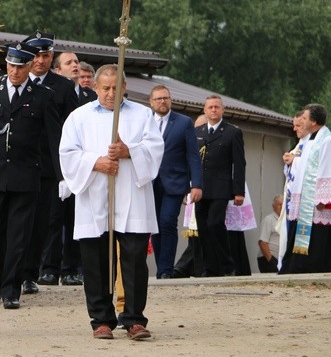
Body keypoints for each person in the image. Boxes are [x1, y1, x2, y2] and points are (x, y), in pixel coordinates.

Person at [59, 64, 164, 340]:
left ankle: (133, 318)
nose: (110, 93)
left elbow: (155, 149)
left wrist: (129, 151)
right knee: (95, 260)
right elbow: (68, 154)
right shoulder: (79, 117)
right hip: (95, 198)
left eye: (116, 87)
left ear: (125, 88)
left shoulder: (143, 115)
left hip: (133, 199)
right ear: (95, 87)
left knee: (134, 260)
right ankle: (101, 320)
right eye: (105, 87)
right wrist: (97, 162)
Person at [0, 42, 63, 309]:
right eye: (11, 66)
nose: (15, 71)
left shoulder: (43, 96)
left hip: (26, 176)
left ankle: (12, 289)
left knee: (19, 236)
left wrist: (61, 176)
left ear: (30, 66)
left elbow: (54, 141)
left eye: (20, 67)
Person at [20, 32, 78, 293]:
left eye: (45, 55)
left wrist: (65, 169)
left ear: (51, 57)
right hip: (20, 162)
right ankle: (16, 271)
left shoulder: (64, 87)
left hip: (49, 165)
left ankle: (40, 270)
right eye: (36, 55)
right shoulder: (15, 81)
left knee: (48, 220)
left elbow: (72, 128)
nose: (40, 61)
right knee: (20, 222)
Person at [38, 51, 95, 287]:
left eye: (76, 62)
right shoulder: (50, 94)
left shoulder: (90, 97)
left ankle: (72, 268)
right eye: (69, 62)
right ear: (57, 70)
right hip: (55, 166)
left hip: (82, 165)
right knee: (53, 218)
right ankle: (49, 268)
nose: (75, 65)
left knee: (75, 218)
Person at [279, 104, 331, 274]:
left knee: (323, 237)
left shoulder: (327, 141)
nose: (302, 121)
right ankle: (301, 266)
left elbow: (329, 168)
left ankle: (322, 266)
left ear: (313, 121)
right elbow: (304, 167)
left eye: (305, 118)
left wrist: (324, 198)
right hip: (306, 200)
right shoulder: (310, 141)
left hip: (319, 202)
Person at [147, 85, 202, 279]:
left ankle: (165, 270)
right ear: (151, 102)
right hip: (149, 183)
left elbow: (193, 155)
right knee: (154, 225)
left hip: (174, 182)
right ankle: (162, 266)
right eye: (159, 98)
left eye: (166, 98)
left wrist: (196, 184)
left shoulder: (184, 122)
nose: (163, 101)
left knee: (167, 221)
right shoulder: (144, 122)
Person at [194, 95, 246, 277]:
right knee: (203, 227)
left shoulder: (232, 132)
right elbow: (192, 161)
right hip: (200, 189)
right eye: (210, 107)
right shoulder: (197, 131)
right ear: (205, 110)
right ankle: (210, 267)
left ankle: (226, 264)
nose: (214, 110)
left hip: (221, 188)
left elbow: (239, 164)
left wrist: (239, 191)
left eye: (217, 107)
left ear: (223, 110)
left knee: (215, 223)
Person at [257, 195, 283, 272]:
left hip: (280, 260)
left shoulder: (285, 221)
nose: (281, 207)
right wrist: (271, 261)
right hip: (268, 259)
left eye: (283, 205)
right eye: (279, 204)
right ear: (273, 206)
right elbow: (262, 243)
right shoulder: (269, 219)